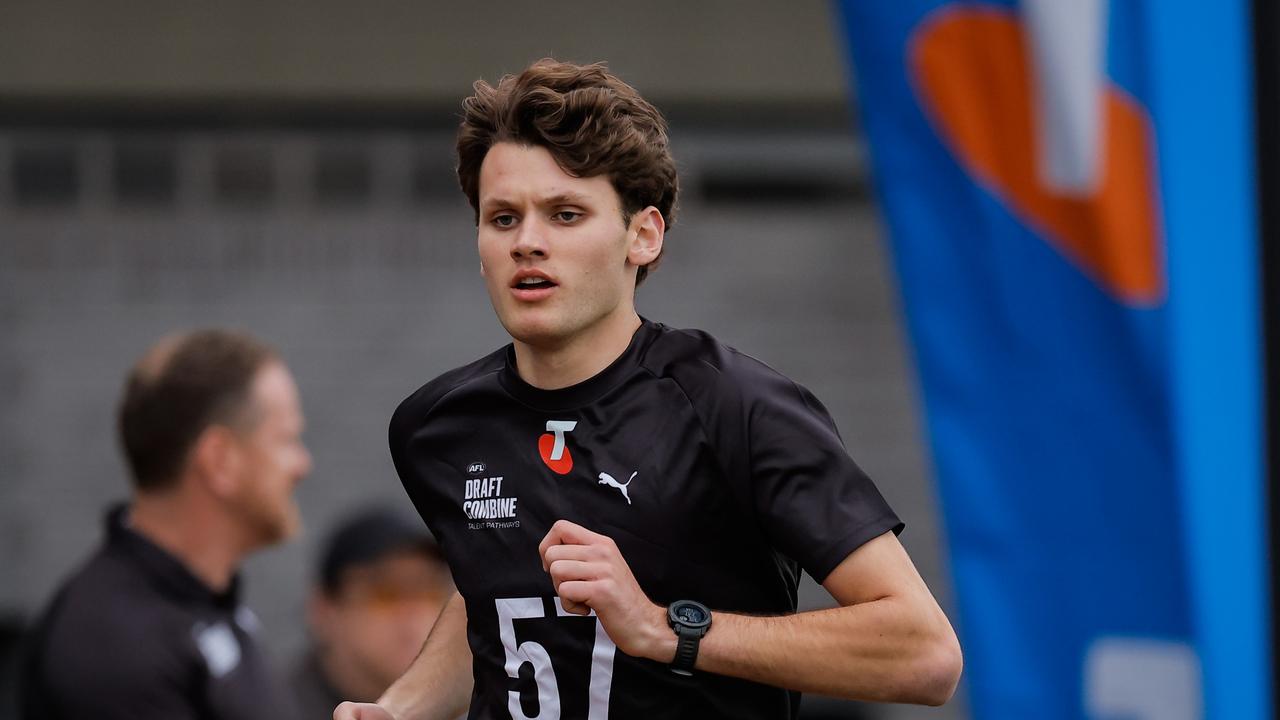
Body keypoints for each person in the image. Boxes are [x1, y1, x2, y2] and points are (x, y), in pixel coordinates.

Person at [337, 59, 962, 720]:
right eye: (502, 219)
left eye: (565, 214)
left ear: (644, 234)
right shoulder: (436, 427)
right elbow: (491, 595)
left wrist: (668, 630)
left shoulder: (737, 408)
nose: (528, 243)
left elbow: (924, 654)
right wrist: (401, 708)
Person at [22, 329, 310, 720]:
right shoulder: (116, 648)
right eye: (286, 439)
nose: (302, 465)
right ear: (220, 460)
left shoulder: (204, 602)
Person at [290, 506, 454, 718]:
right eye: (386, 593)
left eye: (430, 591)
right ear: (324, 610)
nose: (413, 613)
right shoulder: (267, 708)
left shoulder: (467, 707)